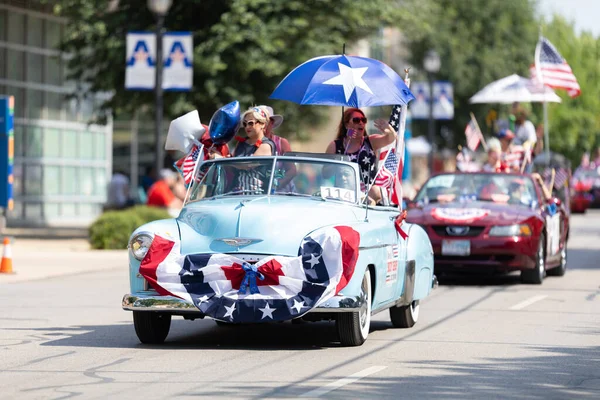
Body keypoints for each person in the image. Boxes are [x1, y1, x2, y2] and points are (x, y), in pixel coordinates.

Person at [325, 108, 396, 204]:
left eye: (364, 120)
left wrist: (389, 130)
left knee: (375, 191)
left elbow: (390, 138)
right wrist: (337, 164)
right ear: (346, 125)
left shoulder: (370, 141)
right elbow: (325, 174)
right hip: (343, 194)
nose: (361, 123)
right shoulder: (335, 146)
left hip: (368, 197)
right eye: (356, 120)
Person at [258, 105, 297, 192]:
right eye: (259, 121)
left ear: (272, 123)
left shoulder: (281, 143)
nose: (263, 125)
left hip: (281, 194)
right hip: (255, 192)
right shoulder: (247, 144)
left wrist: (275, 186)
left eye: (266, 121)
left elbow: (292, 170)